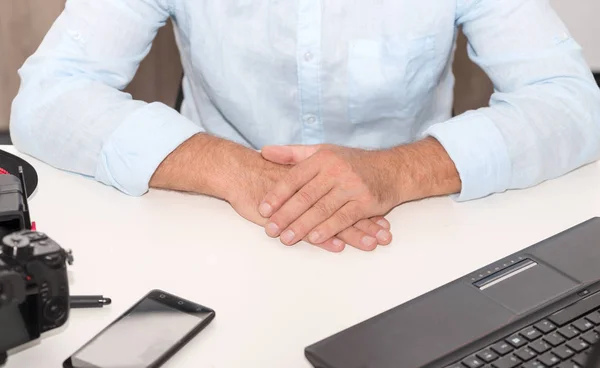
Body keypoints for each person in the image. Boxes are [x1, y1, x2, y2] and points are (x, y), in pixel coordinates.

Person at [10, 0, 600, 253]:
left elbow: (571, 99)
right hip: (210, 221)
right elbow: (49, 95)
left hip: (418, 225)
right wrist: (233, 169)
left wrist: (398, 171)